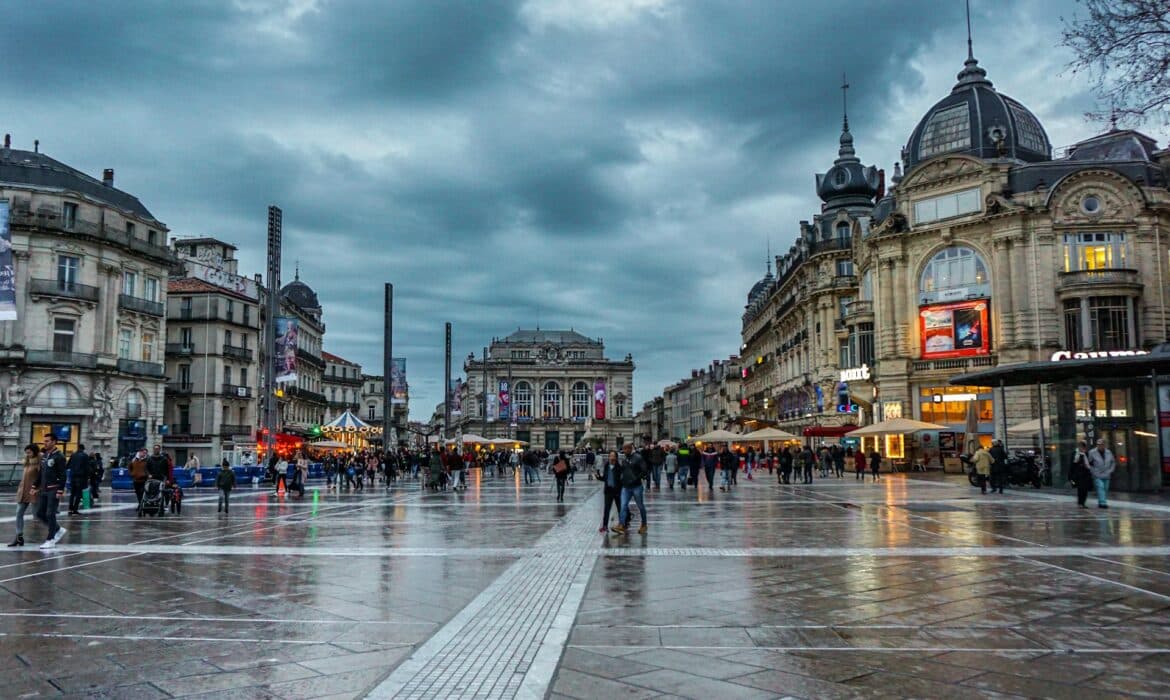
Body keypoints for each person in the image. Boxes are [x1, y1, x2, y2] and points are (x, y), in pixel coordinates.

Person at [35, 434, 68, 549]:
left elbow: (63, 475)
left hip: (54, 489)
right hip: (44, 488)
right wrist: (35, 485)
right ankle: (58, 529)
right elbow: (41, 472)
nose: (45, 443)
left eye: (48, 441)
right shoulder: (45, 455)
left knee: (50, 514)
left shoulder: (59, 456)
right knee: (40, 513)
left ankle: (50, 539)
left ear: (54, 442)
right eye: (44, 441)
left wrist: (60, 490)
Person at [8, 444, 40, 547]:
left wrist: (38, 489)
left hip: (34, 492)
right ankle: (19, 537)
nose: (27, 454)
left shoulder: (39, 462)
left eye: (29, 452)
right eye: (26, 452)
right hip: (23, 492)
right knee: (18, 514)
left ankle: (55, 531)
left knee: (38, 516)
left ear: (34, 452)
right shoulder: (26, 462)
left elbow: (42, 478)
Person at [612, 442, 648, 534]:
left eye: (625, 449)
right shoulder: (625, 459)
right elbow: (623, 471)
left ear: (630, 448)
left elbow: (644, 470)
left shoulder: (638, 458)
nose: (624, 451)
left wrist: (636, 478)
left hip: (636, 487)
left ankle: (644, 524)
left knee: (640, 506)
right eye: (623, 449)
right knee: (623, 505)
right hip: (626, 487)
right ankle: (621, 524)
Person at [1086, 438, 1116, 509]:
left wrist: (1111, 470)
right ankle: (1103, 503)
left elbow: (1113, 462)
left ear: (1104, 445)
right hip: (1097, 474)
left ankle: (1101, 501)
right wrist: (1092, 471)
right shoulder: (1092, 452)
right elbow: (1089, 463)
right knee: (1100, 487)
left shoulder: (1108, 452)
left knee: (1105, 488)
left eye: (1102, 444)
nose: (1100, 446)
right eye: (1098, 445)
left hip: (1107, 474)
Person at [597, 450, 621, 532]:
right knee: (607, 509)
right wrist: (599, 477)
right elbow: (605, 478)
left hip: (617, 491)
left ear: (616, 458)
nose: (611, 457)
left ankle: (622, 524)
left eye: (613, 456)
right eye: (610, 456)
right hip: (608, 490)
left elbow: (621, 480)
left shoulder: (619, 467)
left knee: (620, 509)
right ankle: (605, 526)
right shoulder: (606, 465)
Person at [66, 443, 91, 515]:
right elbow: (87, 468)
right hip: (81, 477)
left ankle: (70, 509)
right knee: (78, 494)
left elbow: (68, 465)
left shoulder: (73, 455)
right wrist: (88, 477)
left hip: (73, 477)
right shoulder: (85, 456)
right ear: (83, 449)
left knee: (72, 494)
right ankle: (75, 509)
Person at [1070, 440, 1092, 509]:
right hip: (1078, 475)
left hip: (1086, 474)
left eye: (1082, 447)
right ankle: (1080, 503)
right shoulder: (1075, 453)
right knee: (1080, 489)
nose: (1081, 448)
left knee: (1085, 489)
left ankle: (1083, 503)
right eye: (1080, 446)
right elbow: (1073, 464)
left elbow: (1089, 463)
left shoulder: (1086, 454)